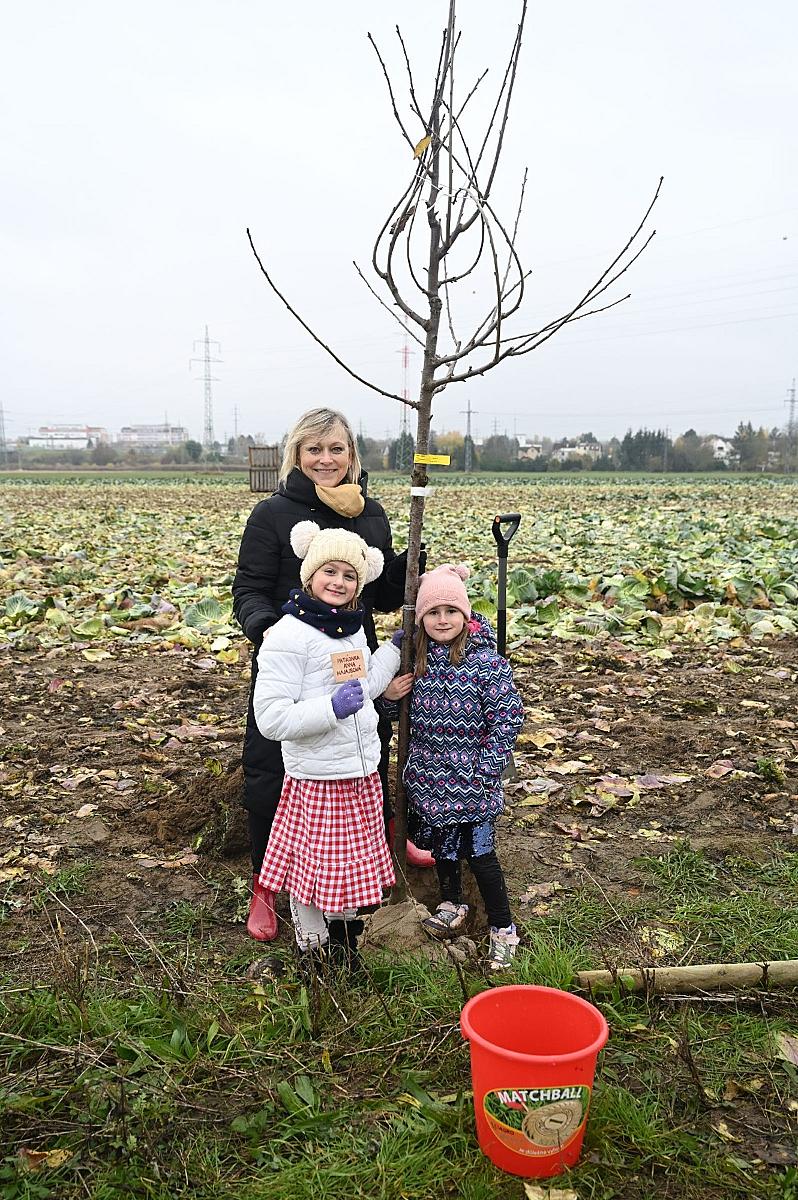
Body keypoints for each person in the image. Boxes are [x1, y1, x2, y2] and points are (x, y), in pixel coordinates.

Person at [232, 406, 429, 943]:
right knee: (272, 770)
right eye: (314, 449)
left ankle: (371, 856)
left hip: (353, 658)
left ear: (351, 454)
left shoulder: (371, 514)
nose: (325, 459)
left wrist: (411, 563)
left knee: (364, 755)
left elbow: (380, 592)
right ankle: (266, 884)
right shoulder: (272, 515)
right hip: (293, 664)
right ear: (296, 454)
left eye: (336, 448)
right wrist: (270, 633)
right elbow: (248, 588)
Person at [253, 521, 402, 969]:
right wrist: (331, 708)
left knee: (348, 867)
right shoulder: (287, 636)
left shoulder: (348, 629)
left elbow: (363, 686)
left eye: (349, 575)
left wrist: (392, 651)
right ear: (310, 574)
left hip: (359, 772)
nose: (338, 582)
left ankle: (344, 944)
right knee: (313, 871)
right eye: (329, 571)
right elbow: (271, 718)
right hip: (318, 778)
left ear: (360, 582)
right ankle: (312, 949)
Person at [404, 564, 525, 971]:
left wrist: (487, 768)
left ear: (465, 615)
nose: (442, 620)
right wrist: (388, 697)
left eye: (451, 611)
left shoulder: (487, 663)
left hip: (473, 781)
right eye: (433, 612)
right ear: (422, 618)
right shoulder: (416, 660)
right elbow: (394, 714)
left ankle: (503, 928)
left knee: (481, 855)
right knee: (444, 849)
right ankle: (452, 903)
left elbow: (507, 718)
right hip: (430, 778)